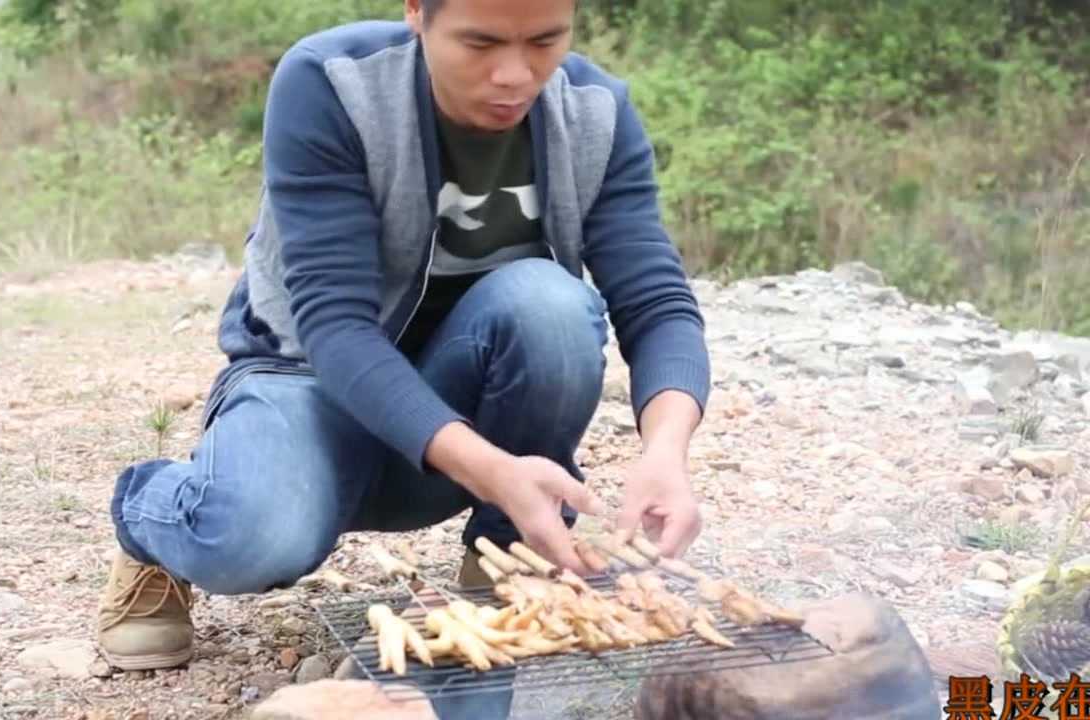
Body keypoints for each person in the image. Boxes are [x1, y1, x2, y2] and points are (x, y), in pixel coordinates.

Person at [95, 0, 710, 716]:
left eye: (545, 40)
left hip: (459, 383)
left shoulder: (595, 111)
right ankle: (149, 517)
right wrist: (494, 470)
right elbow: (337, 327)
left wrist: (667, 450)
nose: (515, 74)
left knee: (549, 305)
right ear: (417, 11)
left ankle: (504, 563)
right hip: (310, 376)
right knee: (254, 538)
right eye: (480, 42)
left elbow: (657, 301)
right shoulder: (333, 84)